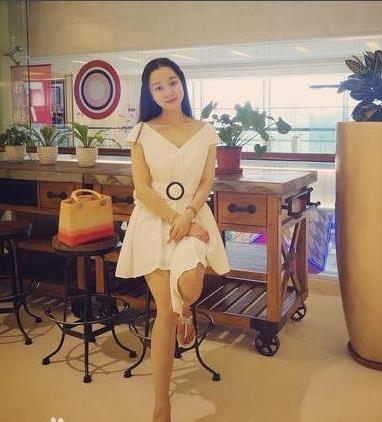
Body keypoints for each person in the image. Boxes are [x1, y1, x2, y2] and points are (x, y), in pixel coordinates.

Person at [115, 57, 230, 422]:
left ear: (182, 83)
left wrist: (189, 216)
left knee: (191, 282)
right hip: (153, 221)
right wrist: (174, 220)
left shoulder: (205, 131)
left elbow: (206, 182)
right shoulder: (141, 133)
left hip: (193, 218)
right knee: (164, 312)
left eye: (172, 82)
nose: (167, 91)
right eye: (158, 86)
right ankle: (161, 405)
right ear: (149, 93)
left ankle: (187, 309)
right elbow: (142, 189)